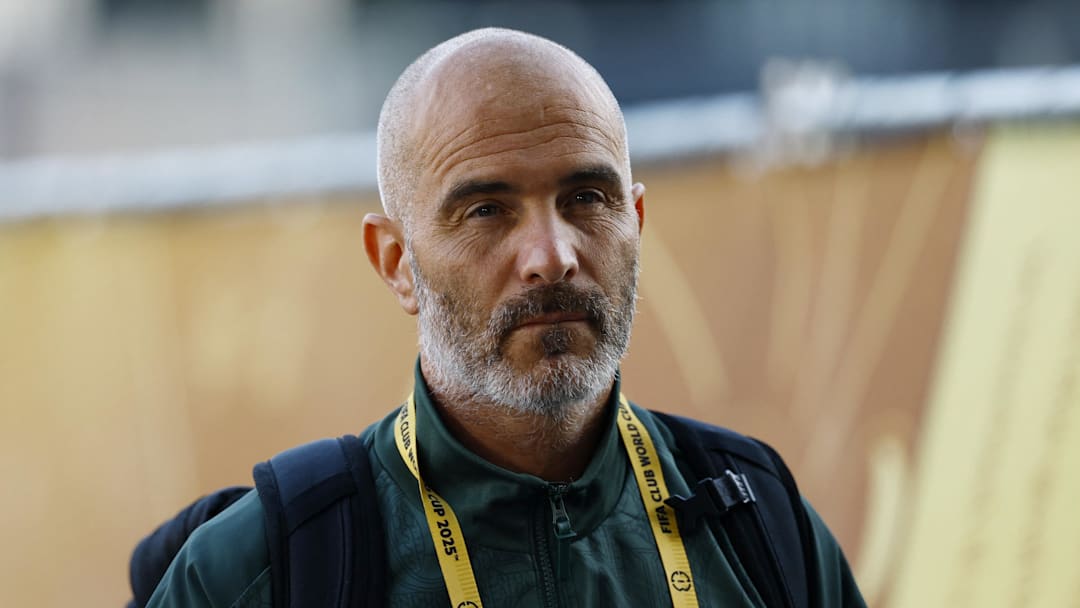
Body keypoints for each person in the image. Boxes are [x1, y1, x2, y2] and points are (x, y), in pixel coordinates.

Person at [145, 28, 865, 608]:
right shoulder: (270, 567)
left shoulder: (757, 519)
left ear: (636, 222)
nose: (551, 257)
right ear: (397, 263)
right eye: (486, 210)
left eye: (587, 198)